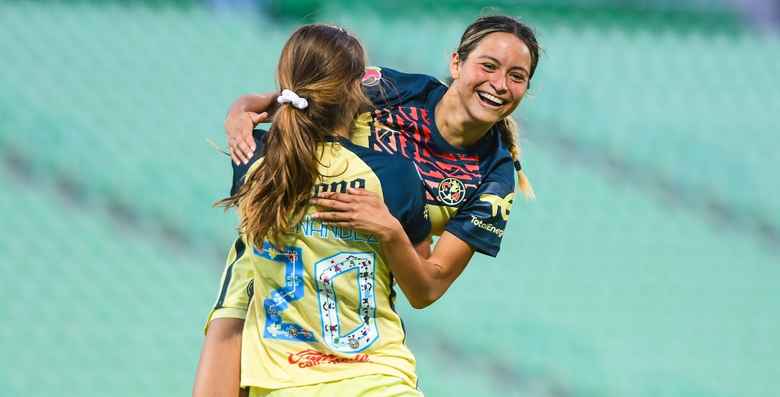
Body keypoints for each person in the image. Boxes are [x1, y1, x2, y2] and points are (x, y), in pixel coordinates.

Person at [224, 15, 540, 307]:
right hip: (279, 267)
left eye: (516, 76)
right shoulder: (398, 89)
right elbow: (294, 100)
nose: (500, 85)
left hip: (353, 296)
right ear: (456, 63)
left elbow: (427, 289)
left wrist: (390, 231)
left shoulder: (494, 178)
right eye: (488, 66)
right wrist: (239, 112)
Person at [192, 24, 431, 397]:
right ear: (356, 89)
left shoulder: (254, 160)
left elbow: (274, 114)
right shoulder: (393, 175)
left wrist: (243, 106)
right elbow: (422, 288)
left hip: (285, 385)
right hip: (380, 381)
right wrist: (391, 231)